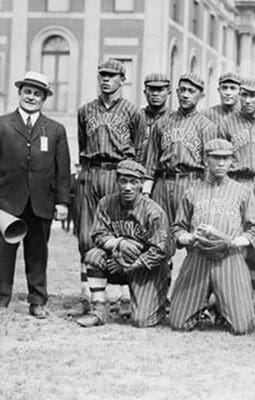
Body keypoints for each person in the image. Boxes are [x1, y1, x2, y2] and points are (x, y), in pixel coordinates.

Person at [169, 139, 255, 334]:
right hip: (199, 256)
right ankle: (205, 302)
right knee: (178, 323)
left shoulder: (243, 192)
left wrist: (233, 241)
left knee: (242, 327)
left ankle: (218, 304)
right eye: (216, 158)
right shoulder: (192, 191)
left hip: (229, 257)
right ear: (205, 160)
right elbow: (177, 229)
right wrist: (190, 237)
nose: (221, 163)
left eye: (225, 158)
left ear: (231, 162)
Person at [0, 71, 70, 317]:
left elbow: (63, 170)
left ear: (44, 99)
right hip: (7, 202)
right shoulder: (2, 124)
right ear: (19, 93)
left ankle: (37, 300)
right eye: (27, 92)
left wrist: (62, 202)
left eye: (37, 94)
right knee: (3, 254)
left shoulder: (55, 130)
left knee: (38, 252)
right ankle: (2, 299)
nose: (31, 97)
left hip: (41, 201)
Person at [75, 59, 141, 315]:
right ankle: (86, 292)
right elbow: (82, 142)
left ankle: (120, 294)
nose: (106, 79)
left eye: (112, 76)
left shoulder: (132, 111)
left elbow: (138, 148)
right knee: (85, 233)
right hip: (91, 171)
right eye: (103, 74)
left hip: (118, 171)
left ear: (122, 79)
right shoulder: (85, 110)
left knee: (119, 231)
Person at [75, 160, 171, 328]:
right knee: (93, 255)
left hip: (146, 268)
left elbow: (160, 251)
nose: (128, 187)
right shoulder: (106, 203)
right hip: (117, 261)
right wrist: (119, 243)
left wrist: (128, 265)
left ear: (141, 184)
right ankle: (98, 310)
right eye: (123, 181)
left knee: (141, 321)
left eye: (134, 182)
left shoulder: (153, 212)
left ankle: (159, 304)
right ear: (116, 181)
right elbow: (98, 235)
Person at [219, 78, 255, 315]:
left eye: (253, 95)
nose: (247, 100)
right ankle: (229, 300)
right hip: (236, 181)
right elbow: (219, 158)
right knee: (233, 240)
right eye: (244, 95)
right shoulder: (228, 122)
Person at [143, 73, 217, 223]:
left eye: (191, 91)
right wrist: (146, 193)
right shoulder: (162, 123)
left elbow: (209, 168)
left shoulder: (207, 126)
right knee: (160, 235)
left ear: (201, 95)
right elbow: (150, 163)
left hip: (191, 183)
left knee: (190, 235)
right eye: (182, 90)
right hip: (162, 184)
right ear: (176, 92)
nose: (185, 95)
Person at [137, 73, 171, 164]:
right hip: (136, 170)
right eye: (151, 90)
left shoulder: (174, 119)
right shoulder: (137, 116)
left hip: (162, 173)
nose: (155, 94)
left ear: (168, 92)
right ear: (145, 92)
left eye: (160, 90)